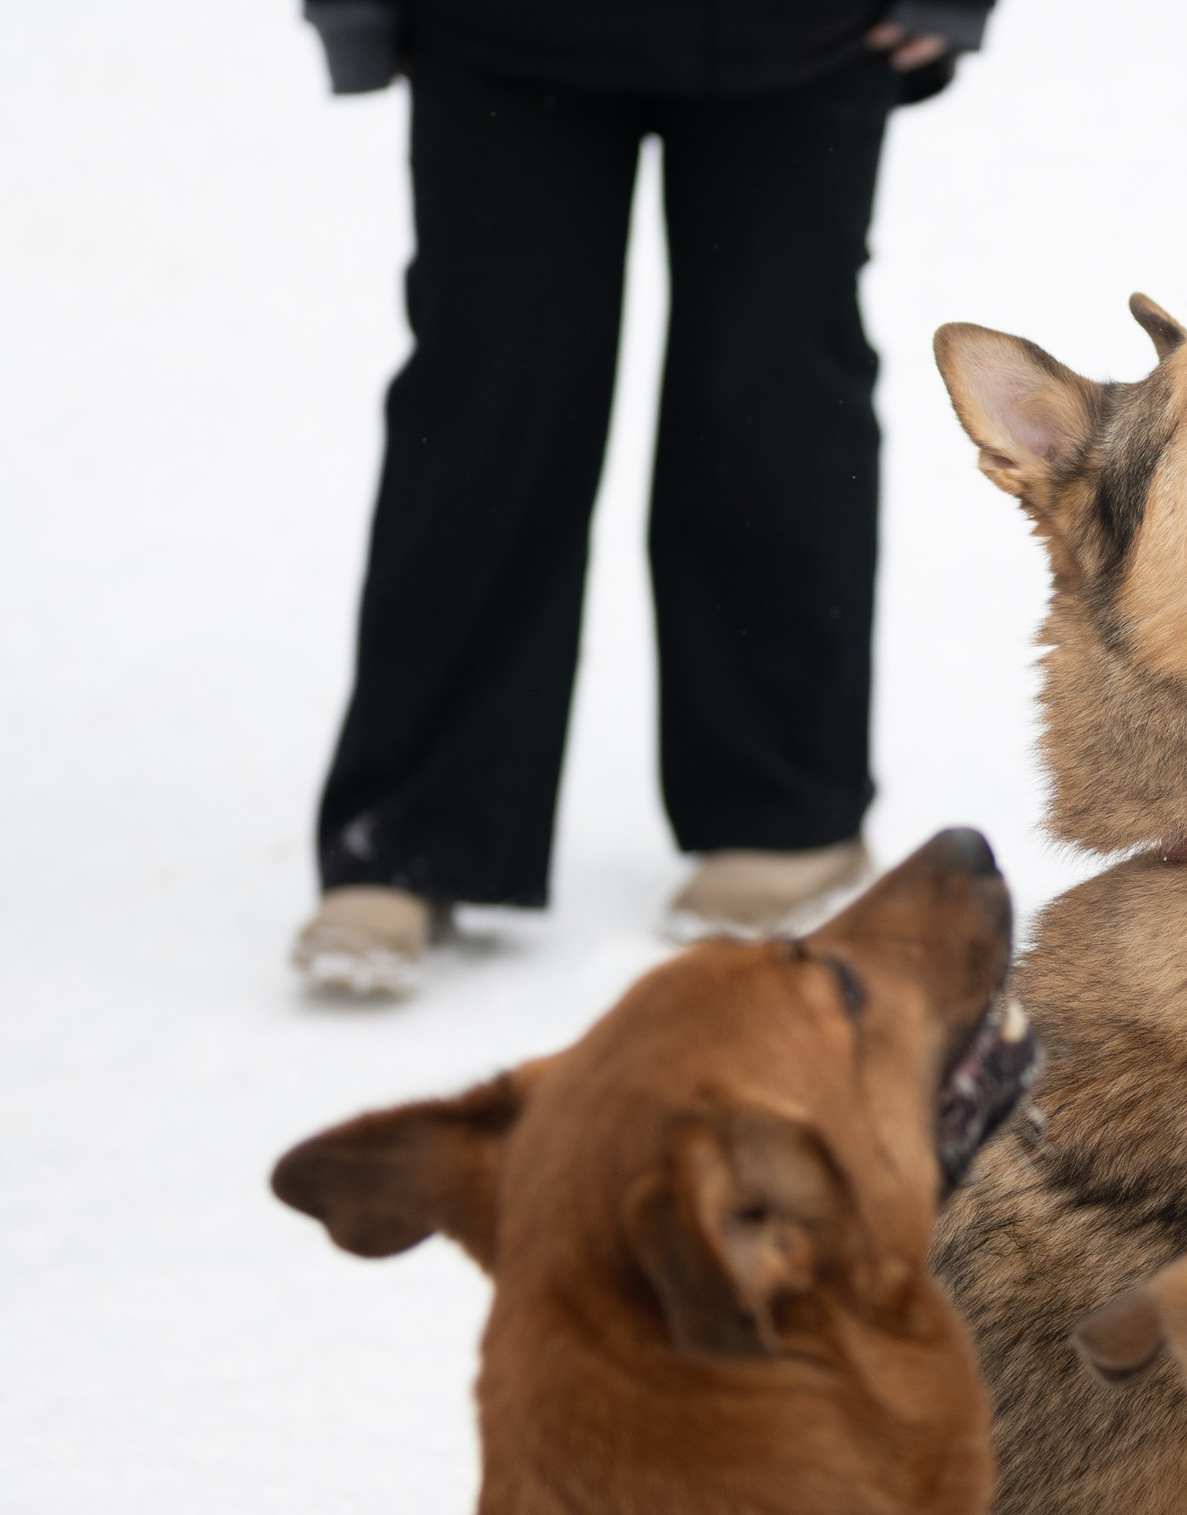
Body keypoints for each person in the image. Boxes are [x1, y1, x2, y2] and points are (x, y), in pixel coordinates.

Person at [292, 0, 993, 996]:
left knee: (771, 400)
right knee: (487, 407)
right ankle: (410, 827)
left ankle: (782, 810)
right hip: (494, 33)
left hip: (803, 36)